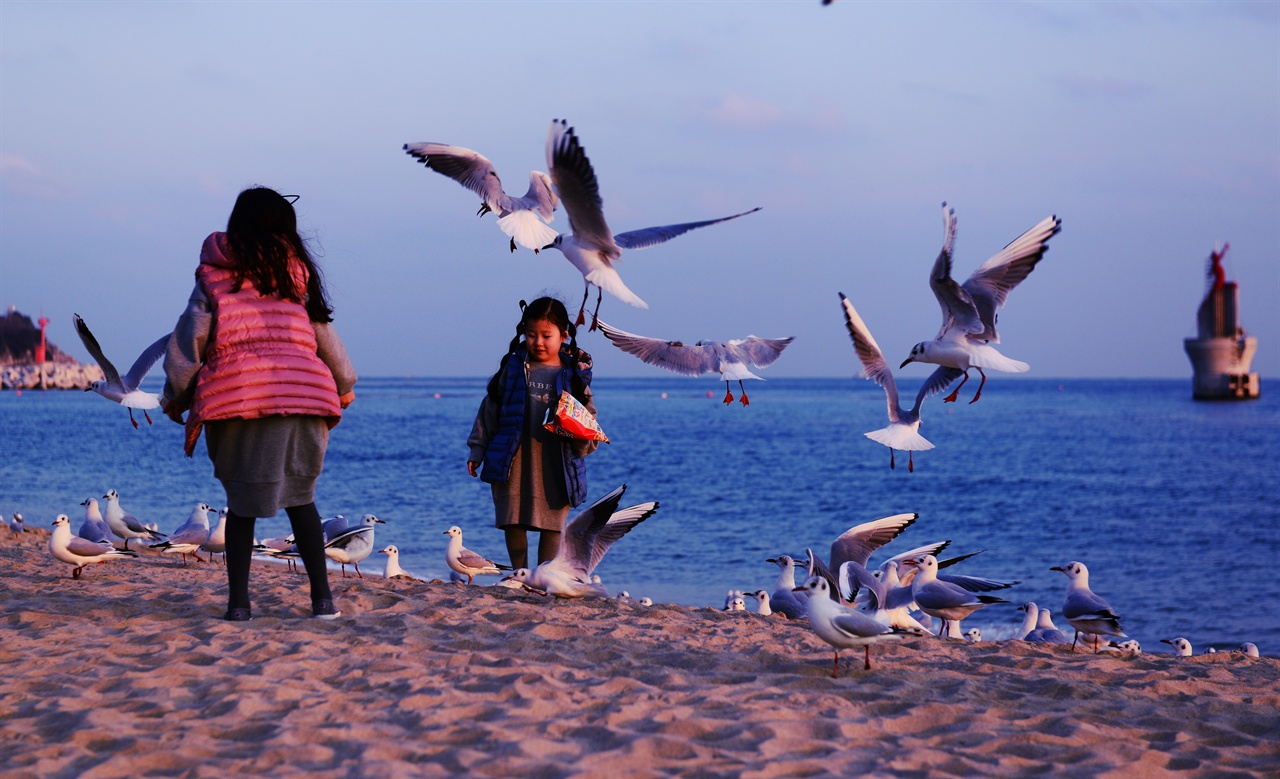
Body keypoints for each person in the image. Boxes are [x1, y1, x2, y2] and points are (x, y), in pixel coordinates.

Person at [161, 187, 357, 622]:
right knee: (302, 501)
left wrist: (177, 393)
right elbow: (323, 334)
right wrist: (344, 383)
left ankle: (239, 605)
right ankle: (322, 601)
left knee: (242, 503)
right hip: (304, 396)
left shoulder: (214, 275)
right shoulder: (297, 273)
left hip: (237, 399)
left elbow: (190, 336)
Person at [467, 297, 599, 569]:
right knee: (512, 518)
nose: (538, 342)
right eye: (531, 335)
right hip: (513, 459)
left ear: (563, 335)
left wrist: (583, 442)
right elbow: (489, 408)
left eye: (546, 336)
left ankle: (543, 575)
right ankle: (519, 572)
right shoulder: (514, 368)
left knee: (552, 524)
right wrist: (478, 449)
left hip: (556, 462)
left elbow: (588, 419)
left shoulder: (573, 374)